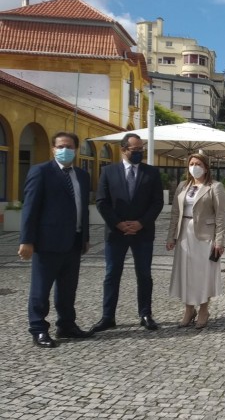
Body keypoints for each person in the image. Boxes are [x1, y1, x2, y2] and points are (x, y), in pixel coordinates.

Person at [19, 132, 93, 348]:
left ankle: (66, 325)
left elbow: (83, 209)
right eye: (60, 146)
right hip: (47, 242)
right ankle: (39, 329)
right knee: (41, 290)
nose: (64, 150)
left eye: (69, 146)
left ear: (76, 149)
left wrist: (85, 237)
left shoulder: (82, 175)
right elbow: (30, 208)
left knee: (68, 289)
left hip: (74, 241)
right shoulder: (40, 172)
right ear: (53, 149)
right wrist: (27, 240)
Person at [92, 133, 164, 332]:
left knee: (144, 275)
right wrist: (118, 224)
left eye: (141, 149)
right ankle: (108, 317)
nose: (139, 152)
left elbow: (157, 202)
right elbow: (102, 202)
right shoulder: (108, 171)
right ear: (123, 150)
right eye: (135, 150)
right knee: (112, 274)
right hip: (116, 233)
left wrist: (141, 223)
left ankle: (146, 314)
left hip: (143, 232)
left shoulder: (151, 173)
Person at [166, 154, 225, 329]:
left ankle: (204, 309)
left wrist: (219, 241)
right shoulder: (183, 186)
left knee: (202, 274)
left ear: (206, 167)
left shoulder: (215, 187)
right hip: (184, 232)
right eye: (191, 164)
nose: (194, 167)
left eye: (198, 164)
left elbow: (221, 216)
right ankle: (188, 309)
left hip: (204, 235)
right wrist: (171, 237)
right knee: (185, 273)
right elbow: (175, 213)